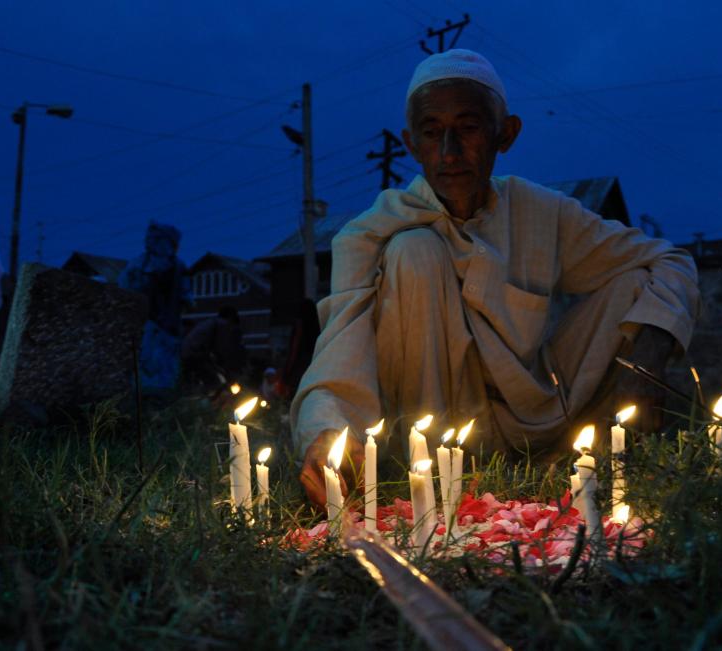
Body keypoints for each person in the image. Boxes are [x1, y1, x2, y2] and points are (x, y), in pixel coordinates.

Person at [292, 50, 700, 507]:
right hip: (426, 434)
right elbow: (340, 354)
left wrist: (643, 366)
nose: (449, 152)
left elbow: (669, 262)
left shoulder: (543, 213)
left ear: (504, 134)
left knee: (635, 283)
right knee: (414, 251)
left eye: (467, 129)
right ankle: (434, 474)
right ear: (412, 144)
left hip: (535, 425)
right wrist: (327, 435)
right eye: (432, 133)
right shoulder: (369, 235)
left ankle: (588, 456)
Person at [119, 222, 191, 391]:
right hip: (145, 327)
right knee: (144, 366)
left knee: (164, 371)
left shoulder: (178, 267)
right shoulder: (138, 266)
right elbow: (124, 291)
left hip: (168, 329)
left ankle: (159, 400)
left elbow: (186, 297)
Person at [181, 306, 246, 394]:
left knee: (213, 378)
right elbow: (222, 350)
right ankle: (205, 402)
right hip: (194, 356)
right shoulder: (221, 324)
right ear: (230, 319)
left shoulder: (210, 323)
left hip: (189, 355)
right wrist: (229, 371)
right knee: (215, 382)